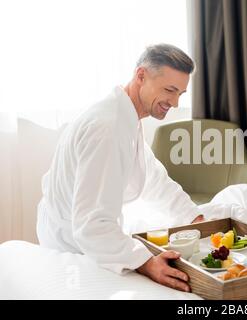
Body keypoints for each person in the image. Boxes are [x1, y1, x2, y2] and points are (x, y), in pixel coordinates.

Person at [36, 44, 204, 292]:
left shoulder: (125, 117)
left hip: (87, 237)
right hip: (74, 247)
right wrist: (147, 263)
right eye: (170, 90)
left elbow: (153, 179)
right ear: (141, 76)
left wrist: (194, 218)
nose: (176, 102)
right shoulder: (109, 128)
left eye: (181, 93)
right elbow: (92, 224)